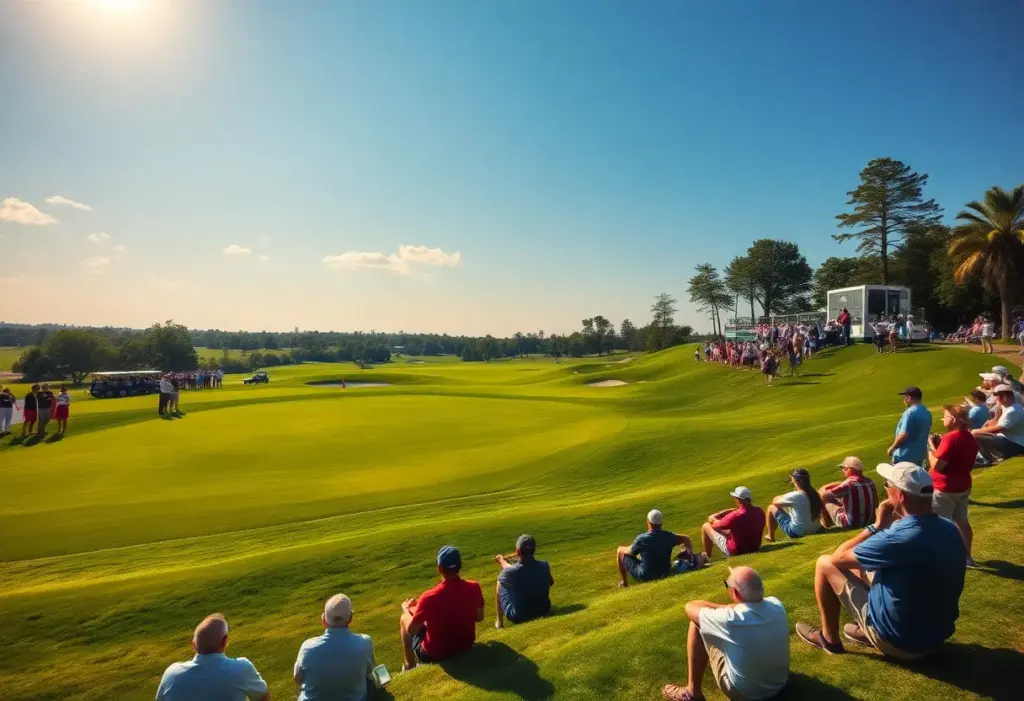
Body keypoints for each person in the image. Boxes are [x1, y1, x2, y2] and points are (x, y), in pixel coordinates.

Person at [795, 462, 966, 660]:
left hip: (901, 643)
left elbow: (837, 558)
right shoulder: (950, 528)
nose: (885, 489)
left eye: (887, 484)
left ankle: (829, 639)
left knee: (824, 563)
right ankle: (870, 628)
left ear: (901, 495)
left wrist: (876, 526)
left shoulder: (898, 538)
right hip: (936, 637)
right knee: (868, 570)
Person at [661, 566, 789, 701]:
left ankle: (693, 692)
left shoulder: (730, 619)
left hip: (746, 694)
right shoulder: (776, 604)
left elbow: (690, 606)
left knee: (697, 623)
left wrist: (727, 607)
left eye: (727, 585)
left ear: (736, 593)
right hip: (778, 684)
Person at [399, 546, 484, 670]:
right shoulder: (474, 587)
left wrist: (406, 609)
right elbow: (479, 617)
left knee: (403, 618)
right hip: (466, 645)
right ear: (460, 565)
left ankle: (409, 665)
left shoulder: (429, 597)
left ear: (439, 568)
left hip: (434, 653)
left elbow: (411, 630)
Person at [155, 613, 270, 701]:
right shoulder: (241, 669)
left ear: (194, 645)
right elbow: (263, 697)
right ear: (224, 641)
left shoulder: (171, 673)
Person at [293, 594, 375, 701]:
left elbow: (298, 679)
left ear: (323, 620)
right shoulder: (364, 643)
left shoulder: (307, 647)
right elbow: (370, 671)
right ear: (350, 618)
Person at [927, 405, 979, 567]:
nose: (943, 419)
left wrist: (930, 448)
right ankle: (966, 557)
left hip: (944, 488)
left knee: (940, 525)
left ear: (954, 419)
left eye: (946, 416)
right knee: (962, 521)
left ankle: (942, 559)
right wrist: (939, 446)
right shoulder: (969, 437)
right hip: (962, 485)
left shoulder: (951, 438)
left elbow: (937, 465)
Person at [617, 509, 694, 587]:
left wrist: (621, 548)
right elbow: (686, 538)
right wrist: (689, 552)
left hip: (646, 576)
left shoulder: (642, 539)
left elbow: (629, 552)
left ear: (648, 522)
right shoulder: (668, 536)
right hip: (665, 573)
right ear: (661, 523)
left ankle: (624, 583)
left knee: (620, 551)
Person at [494, 534, 553, 628]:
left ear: (518, 551)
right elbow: (550, 583)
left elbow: (509, 570)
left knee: (499, 582)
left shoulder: (510, 572)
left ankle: (499, 622)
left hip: (519, 616)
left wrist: (501, 560)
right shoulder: (544, 565)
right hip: (544, 610)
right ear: (534, 550)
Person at [701, 487, 766, 561]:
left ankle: (707, 558)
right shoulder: (760, 511)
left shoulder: (735, 515)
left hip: (736, 551)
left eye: (735, 498)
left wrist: (715, 516)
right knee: (731, 531)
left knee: (705, 526)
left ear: (739, 499)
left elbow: (714, 525)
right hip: (755, 547)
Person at [819, 457, 879, 529]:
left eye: (843, 468)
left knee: (826, 501)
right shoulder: (870, 481)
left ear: (849, 469)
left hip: (850, 524)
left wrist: (823, 491)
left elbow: (824, 496)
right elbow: (876, 503)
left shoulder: (849, 483)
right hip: (869, 521)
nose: (842, 471)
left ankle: (825, 526)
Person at [765, 469, 823, 541]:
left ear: (798, 481)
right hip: (815, 529)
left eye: (793, 480)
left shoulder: (796, 495)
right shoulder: (815, 494)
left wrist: (782, 496)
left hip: (797, 532)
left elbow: (775, 501)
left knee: (771, 507)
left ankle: (771, 537)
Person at [972, 384, 1024, 463]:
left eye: (997, 397)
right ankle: (991, 457)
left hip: (1015, 444)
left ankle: (987, 460)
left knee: (975, 436)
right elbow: (995, 421)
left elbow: (999, 429)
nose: (996, 399)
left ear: (1004, 397)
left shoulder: (1013, 410)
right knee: (979, 432)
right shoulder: (1009, 407)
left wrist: (976, 431)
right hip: (1009, 440)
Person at [887, 386, 932, 466]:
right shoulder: (927, 413)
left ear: (909, 398)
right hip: (919, 454)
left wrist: (892, 448)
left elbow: (904, 434)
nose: (904, 400)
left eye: (905, 397)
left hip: (905, 455)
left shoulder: (910, 412)